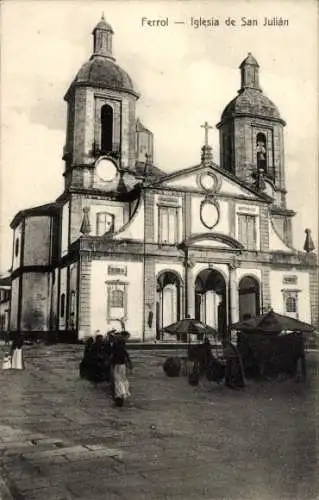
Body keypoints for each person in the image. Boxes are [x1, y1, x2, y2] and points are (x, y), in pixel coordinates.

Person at [110, 336, 132, 407]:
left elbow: (112, 357)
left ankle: (119, 395)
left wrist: (109, 363)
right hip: (123, 366)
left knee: (117, 380)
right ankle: (123, 394)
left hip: (117, 366)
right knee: (123, 380)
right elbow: (127, 357)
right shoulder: (123, 349)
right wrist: (130, 365)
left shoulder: (115, 348)